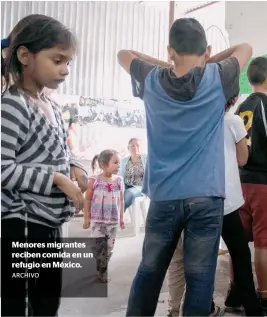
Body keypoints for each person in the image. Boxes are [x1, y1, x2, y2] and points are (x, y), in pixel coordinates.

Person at [117, 17, 252, 316]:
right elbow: (245, 47)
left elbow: (124, 54)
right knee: (200, 278)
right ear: (206, 49)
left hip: (164, 196)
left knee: (149, 271)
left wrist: (168, 62)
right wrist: (206, 59)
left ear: (170, 50)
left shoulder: (151, 80)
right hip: (206, 198)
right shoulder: (218, 76)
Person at [1, 14, 86, 316]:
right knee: (20, 305)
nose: (65, 70)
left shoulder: (50, 104)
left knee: (47, 302)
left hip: (48, 222)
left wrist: (76, 167)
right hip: (22, 222)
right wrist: (57, 180)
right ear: (25, 55)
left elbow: (60, 148)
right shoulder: (12, 105)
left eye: (68, 62)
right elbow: (2, 169)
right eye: (57, 60)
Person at [166, 97, 263, 317]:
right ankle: (253, 309)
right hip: (223, 199)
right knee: (240, 253)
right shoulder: (233, 121)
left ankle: (205, 307)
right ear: (233, 98)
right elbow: (242, 159)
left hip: (195, 197)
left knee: (198, 258)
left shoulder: (191, 120)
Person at [231, 56, 267, 315]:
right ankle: (265, 296)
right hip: (265, 184)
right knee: (264, 243)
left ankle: (236, 291)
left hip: (239, 183)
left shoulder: (240, 107)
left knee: (239, 242)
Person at [83, 150, 125, 283]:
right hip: (97, 221)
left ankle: (103, 271)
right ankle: (99, 262)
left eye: (120, 163)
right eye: (115, 162)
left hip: (112, 221)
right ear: (103, 164)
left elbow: (121, 200)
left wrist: (122, 218)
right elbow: (87, 200)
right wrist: (86, 218)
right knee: (97, 247)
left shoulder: (119, 181)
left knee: (109, 248)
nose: (119, 166)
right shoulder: (93, 180)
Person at [118, 137, 147, 210]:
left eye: (137, 145)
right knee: (112, 192)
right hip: (126, 186)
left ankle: (117, 215)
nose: (135, 148)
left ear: (141, 147)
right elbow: (120, 176)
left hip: (140, 187)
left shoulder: (146, 158)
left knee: (129, 193)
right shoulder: (124, 161)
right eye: (132, 146)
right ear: (128, 148)